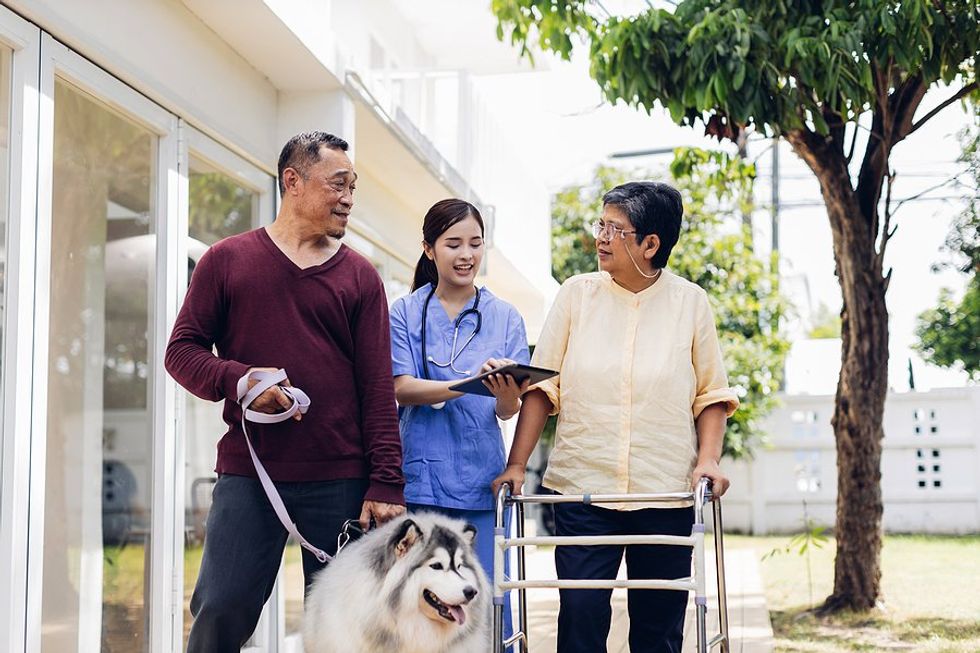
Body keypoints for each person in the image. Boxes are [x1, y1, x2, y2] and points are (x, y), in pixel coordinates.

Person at [165, 131, 406, 653]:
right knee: (221, 610)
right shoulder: (227, 262)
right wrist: (242, 379)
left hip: (342, 480)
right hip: (250, 476)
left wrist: (386, 482)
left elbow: (376, 388)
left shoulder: (360, 278)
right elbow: (181, 352)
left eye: (353, 186)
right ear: (293, 182)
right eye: (338, 184)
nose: (348, 198)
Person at [492, 181, 739, 653]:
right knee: (581, 619)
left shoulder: (690, 302)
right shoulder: (576, 295)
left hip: (664, 492)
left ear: (651, 244)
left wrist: (708, 459)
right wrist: (517, 463)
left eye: (616, 229)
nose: (601, 237)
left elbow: (710, 393)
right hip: (583, 489)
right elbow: (543, 387)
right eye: (601, 225)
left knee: (658, 627)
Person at [388, 198, 529, 582]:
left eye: (475, 243)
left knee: (484, 598)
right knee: (422, 597)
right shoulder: (404, 312)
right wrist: (468, 385)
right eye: (453, 245)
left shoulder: (505, 317)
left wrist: (503, 393)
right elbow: (402, 388)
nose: (466, 255)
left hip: (480, 479)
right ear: (429, 250)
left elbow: (506, 410)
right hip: (421, 483)